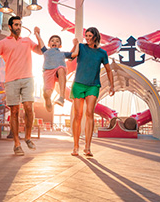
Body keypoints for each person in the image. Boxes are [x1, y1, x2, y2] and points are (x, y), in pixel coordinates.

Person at [0, 16, 42, 156]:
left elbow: (41, 51)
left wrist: (38, 35)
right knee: (14, 112)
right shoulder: (3, 43)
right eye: (16, 25)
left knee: (29, 108)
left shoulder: (27, 41)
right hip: (11, 80)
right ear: (10, 27)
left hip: (28, 79)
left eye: (20, 24)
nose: (19, 27)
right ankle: (17, 143)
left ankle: (28, 137)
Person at [68, 27, 115, 158]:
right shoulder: (81, 47)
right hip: (78, 85)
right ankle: (76, 146)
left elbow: (109, 70)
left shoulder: (102, 53)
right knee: (78, 115)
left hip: (93, 86)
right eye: (86, 36)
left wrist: (112, 86)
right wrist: (75, 45)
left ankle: (87, 147)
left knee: (89, 114)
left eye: (89, 36)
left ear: (95, 37)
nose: (87, 38)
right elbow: (72, 57)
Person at [33, 31, 71, 111]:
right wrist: (37, 33)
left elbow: (73, 54)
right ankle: (47, 99)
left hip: (58, 71)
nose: (54, 42)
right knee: (47, 93)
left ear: (60, 45)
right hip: (48, 72)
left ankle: (61, 97)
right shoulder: (46, 51)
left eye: (57, 41)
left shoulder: (63, 53)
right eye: (52, 40)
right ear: (49, 44)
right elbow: (40, 40)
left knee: (61, 69)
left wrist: (76, 45)